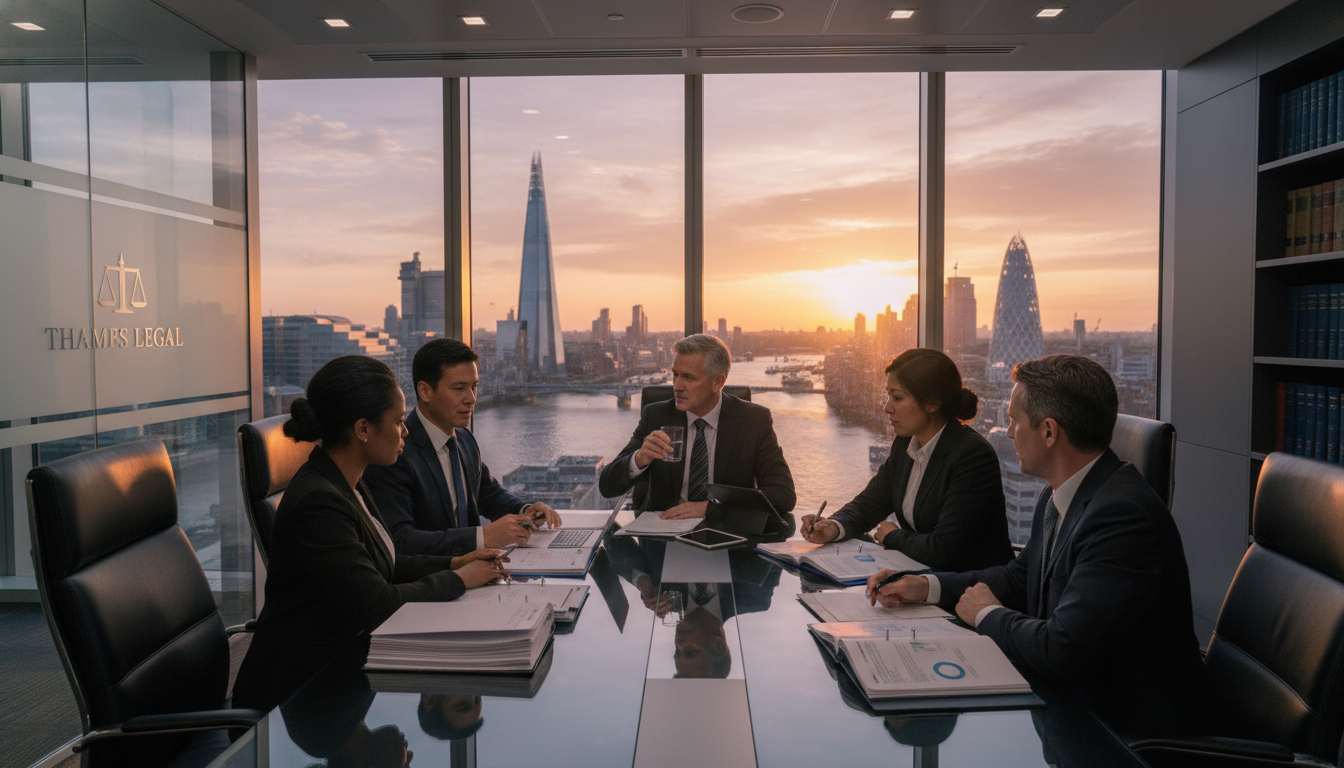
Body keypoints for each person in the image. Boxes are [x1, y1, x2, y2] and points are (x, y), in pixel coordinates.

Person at [865, 354, 1208, 738]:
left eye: (1014, 420)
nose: (1009, 433)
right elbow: (1020, 576)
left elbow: (1063, 650)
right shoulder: (1061, 496)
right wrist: (927, 587)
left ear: (1049, 431)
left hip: (1124, 733)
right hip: (1068, 707)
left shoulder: (1123, 519)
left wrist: (987, 614)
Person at [232, 355, 507, 713]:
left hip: (341, 668)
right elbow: (379, 604)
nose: (405, 430)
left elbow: (386, 562)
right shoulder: (320, 501)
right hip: (296, 698)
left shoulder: (349, 481)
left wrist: (457, 560)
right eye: (396, 422)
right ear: (363, 429)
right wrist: (458, 578)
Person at [799, 348, 1012, 571]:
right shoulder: (906, 443)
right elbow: (872, 502)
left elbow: (946, 549)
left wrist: (892, 536)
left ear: (932, 403)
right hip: (920, 580)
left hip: (971, 592)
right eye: (888, 395)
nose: (887, 408)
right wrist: (834, 525)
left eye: (897, 397)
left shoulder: (972, 456)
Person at [364, 339, 561, 557]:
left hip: (477, 574)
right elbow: (400, 540)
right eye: (459, 389)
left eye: (474, 387)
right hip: (434, 582)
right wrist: (482, 538)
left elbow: (488, 494)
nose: (472, 399)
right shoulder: (394, 453)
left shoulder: (464, 439)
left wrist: (526, 511)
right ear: (425, 391)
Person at [598, 333, 796, 523]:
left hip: (729, 534)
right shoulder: (656, 416)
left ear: (718, 382)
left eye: (688, 378)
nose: (676, 386)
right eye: (675, 375)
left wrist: (712, 509)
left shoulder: (753, 420)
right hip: (662, 533)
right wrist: (639, 458)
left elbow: (783, 495)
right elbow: (607, 487)